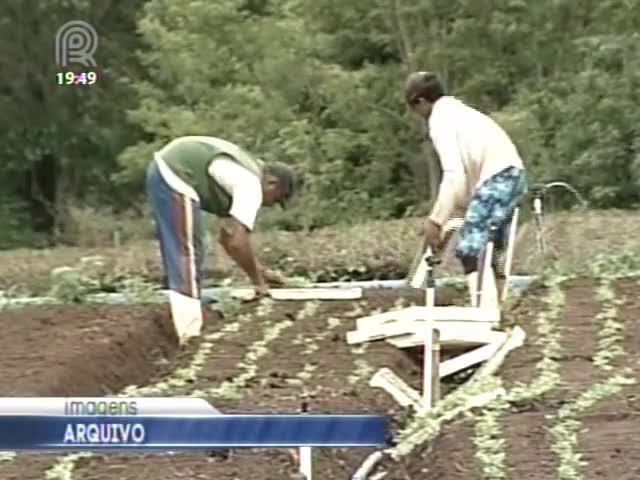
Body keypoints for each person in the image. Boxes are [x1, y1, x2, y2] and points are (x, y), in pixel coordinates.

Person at [146, 136, 297, 343]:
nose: (271, 205)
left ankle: (187, 326)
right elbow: (237, 242)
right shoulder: (250, 184)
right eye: (277, 198)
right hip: (175, 171)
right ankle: (189, 335)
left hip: (167, 167)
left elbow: (228, 240)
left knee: (191, 248)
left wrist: (262, 273)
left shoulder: (243, 173)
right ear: (272, 183)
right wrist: (258, 283)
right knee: (186, 252)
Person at [405, 72, 527, 308]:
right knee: (492, 251)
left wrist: (436, 221)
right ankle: (497, 309)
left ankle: (483, 313)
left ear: (420, 102)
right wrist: (451, 216)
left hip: (499, 177)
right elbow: (464, 181)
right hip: (512, 175)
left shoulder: (440, 121)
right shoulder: (459, 113)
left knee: (472, 249)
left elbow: (453, 175)